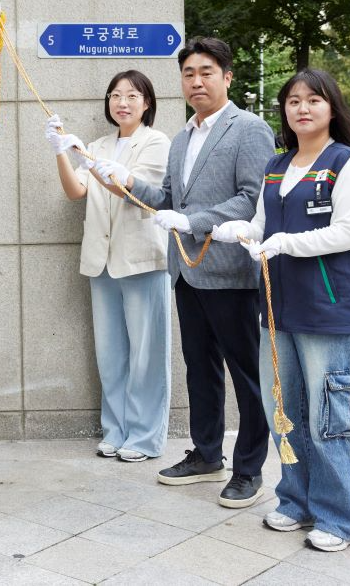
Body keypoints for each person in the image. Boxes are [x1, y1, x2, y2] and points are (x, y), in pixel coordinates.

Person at [101, 38, 276, 508]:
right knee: (200, 368)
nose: (196, 81)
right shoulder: (182, 137)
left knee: (245, 374)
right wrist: (125, 180)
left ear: (227, 77)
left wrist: (194, 222)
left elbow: (250, 197)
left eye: (206, 72)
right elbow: (167, 198)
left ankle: (249, 469)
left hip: (231, 272)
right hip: (188, 272)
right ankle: (205, 454)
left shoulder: (249, 129)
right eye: (188, 74)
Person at [212, 68, 350, 552]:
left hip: (329, 312)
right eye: (293, 101)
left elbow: (348, 231)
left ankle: (342, 519)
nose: (302, 109)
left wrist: (287, 242)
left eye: (313, 100)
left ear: (332, 108)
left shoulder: (348, 165)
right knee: (284, 411)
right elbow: (263, 227)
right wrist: (241, 233)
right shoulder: (277, 167)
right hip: (277, 311)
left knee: (332, 417)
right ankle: (296, 501)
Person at [43, 69, 172, 461]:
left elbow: (136, 192)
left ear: (146, 102)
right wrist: (62, 152)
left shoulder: (157, 143)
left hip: (142, 260)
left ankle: (145, 437)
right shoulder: (98, 144)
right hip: (101, 263)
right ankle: (116, 430)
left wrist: (92, 161)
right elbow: (75, 190)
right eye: (116, 95)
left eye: (132, 95)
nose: (123, 102)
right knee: (111, 353)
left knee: (147, 353)